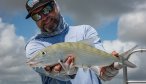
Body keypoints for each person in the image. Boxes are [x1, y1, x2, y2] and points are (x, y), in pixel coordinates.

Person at [25, 0, 122, 84]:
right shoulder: (34, 45)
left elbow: (97, 60)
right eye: (36, 16)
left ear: (56, 5)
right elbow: (43, 67)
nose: (44, 17)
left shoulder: (85, 31)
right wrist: (60, 72)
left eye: (46, 9)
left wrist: (105, 70)